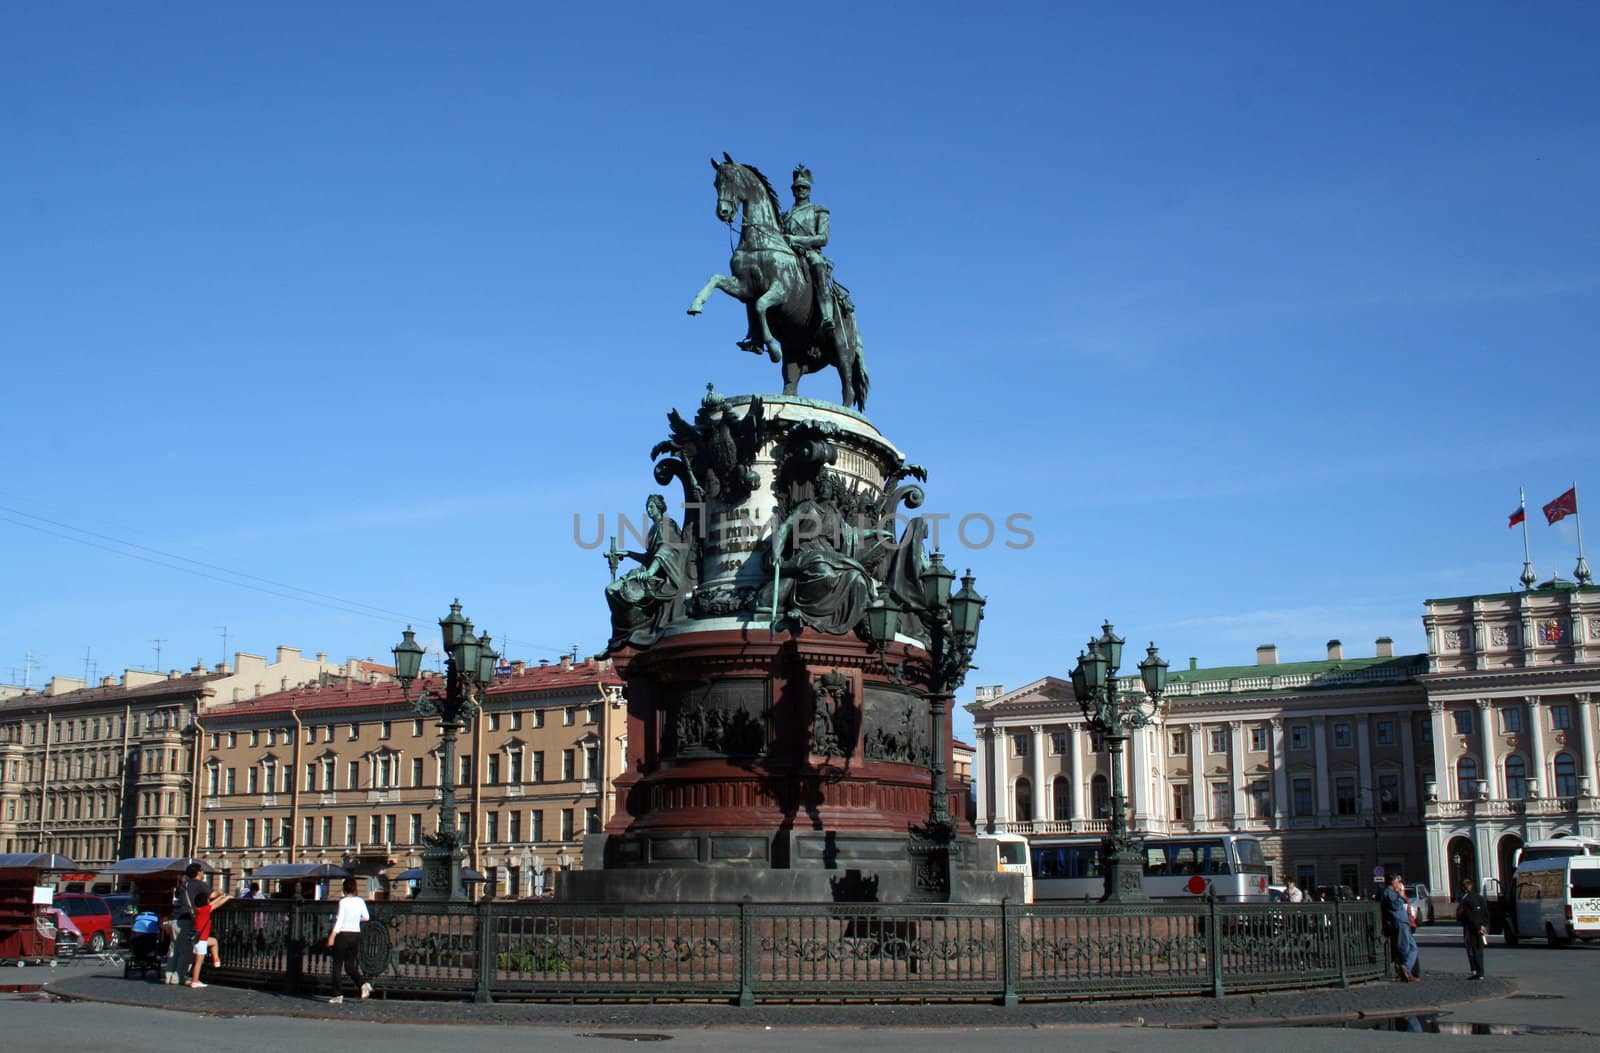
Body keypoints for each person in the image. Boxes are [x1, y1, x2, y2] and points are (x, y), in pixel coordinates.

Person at [781, 164, 838, 332]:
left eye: (804, 187)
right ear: (793, 190)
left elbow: (823, 238)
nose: (801, 190)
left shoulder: (818, 210)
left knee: (818, 266)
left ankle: (827, 314)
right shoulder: (785, 215)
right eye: (797, 188)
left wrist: (796, 239)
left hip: (810, 252)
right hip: (789, 253)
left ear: (809, 189)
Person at [325, 876, 373, 1004]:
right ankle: (362, 984)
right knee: (350, 966)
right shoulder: (360, 901)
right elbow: (367, 917)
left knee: (337, 966)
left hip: (343, 935)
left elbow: (339, 921)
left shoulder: (343, 902)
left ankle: (338, 994)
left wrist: (332, 936)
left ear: (344, 889)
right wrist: (356, 919)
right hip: (355, 935)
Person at [166, 862, 210, 986]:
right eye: (202, 871)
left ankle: (168, 975)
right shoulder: (200, 885)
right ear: (198, 873)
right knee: (186, 951)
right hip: (186, 919)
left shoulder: (183, 885)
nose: (203, 873)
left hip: (174, 919)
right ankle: (178, 977)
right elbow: (209, 896)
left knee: (174, 949)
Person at [1382, 872, 1421, 982]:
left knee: (1413, 948)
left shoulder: (1392, 892)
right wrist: (1400, 893)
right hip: (1399, 921)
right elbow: (1396, 905)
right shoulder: (1388, 892)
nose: (1399, 884)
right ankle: (1406, 971)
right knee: (1405, 948)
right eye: (1398, 882)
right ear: (1393, 882)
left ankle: (1406, 968)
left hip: (1404, 921)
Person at [189, 887, 231, 987]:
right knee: (199, 963)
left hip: (197, 939)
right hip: (201, 940)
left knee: (214, 941)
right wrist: (226, 898)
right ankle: (195, 981)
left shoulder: (199, 910)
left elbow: (213, 904)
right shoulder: (205, 910)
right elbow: (216, 904)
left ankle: (216, 960)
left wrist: (221, 897)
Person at [1456, 877, 1489, 979]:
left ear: (1463, 888)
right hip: (1481, 927)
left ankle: (1476, 971)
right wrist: (1483, 926)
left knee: (1472, 950)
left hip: (1470, 928)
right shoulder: (1479, 897)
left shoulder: (1465, 900)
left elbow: (1468, 916)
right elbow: (1486, 913)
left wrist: (1476, 926)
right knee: (1480, 950)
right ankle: (1480, 971)